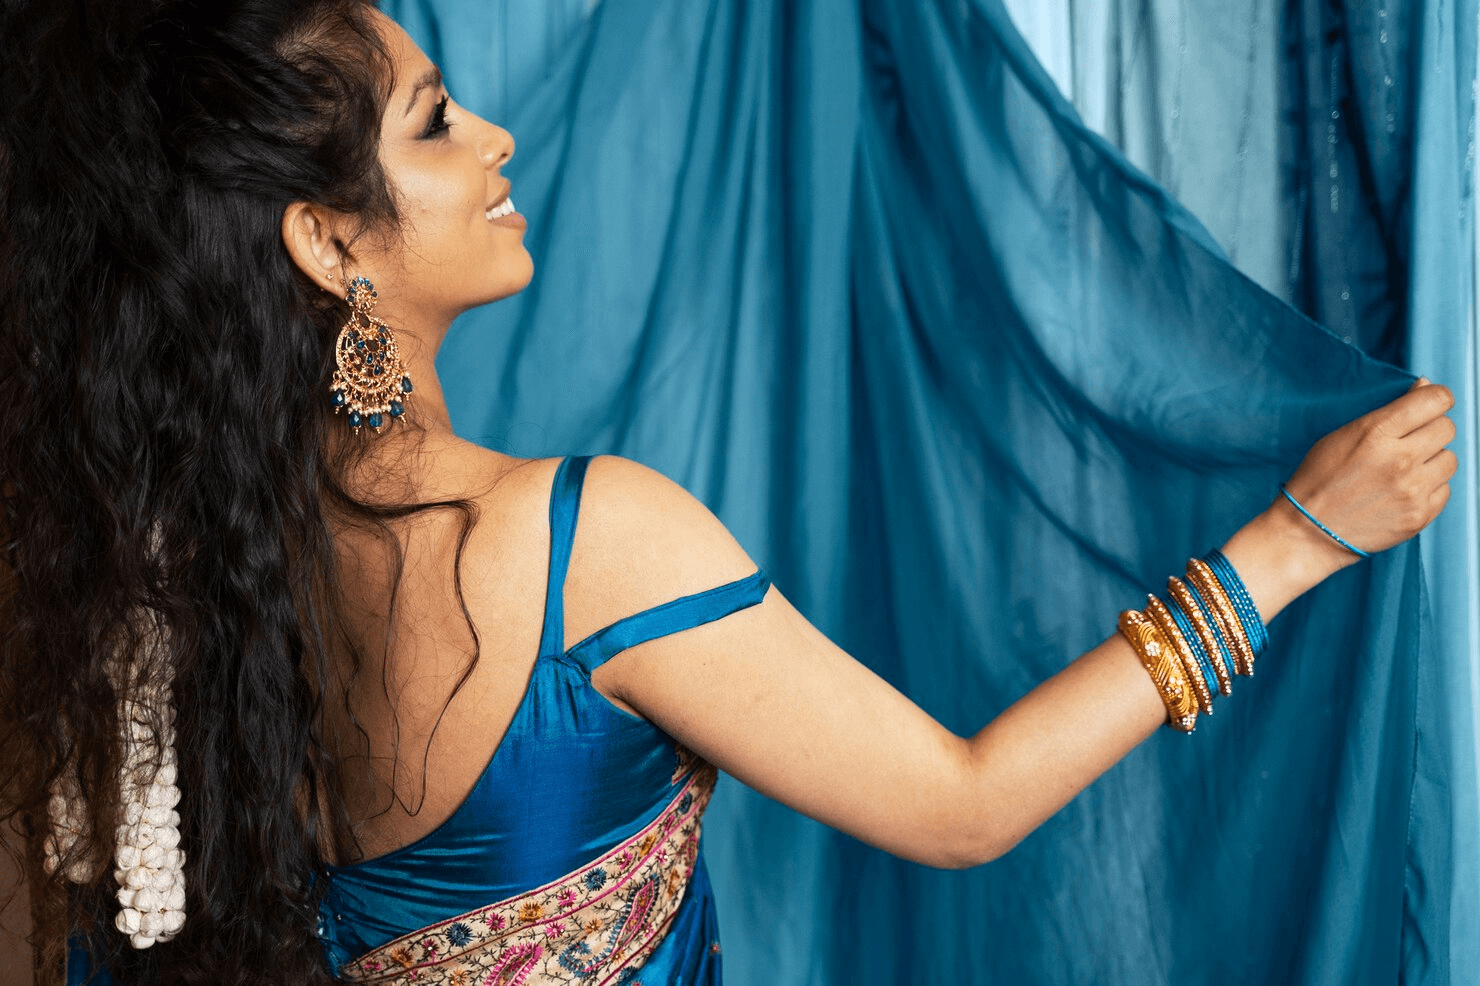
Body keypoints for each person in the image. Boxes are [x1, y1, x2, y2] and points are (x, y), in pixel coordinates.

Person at [0, 0, 1456, 984]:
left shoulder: (203, 587)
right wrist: (1294, 539)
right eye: (436, 121)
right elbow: (964, 805)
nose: (497, 140)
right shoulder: (578, 542)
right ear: (326, 243)